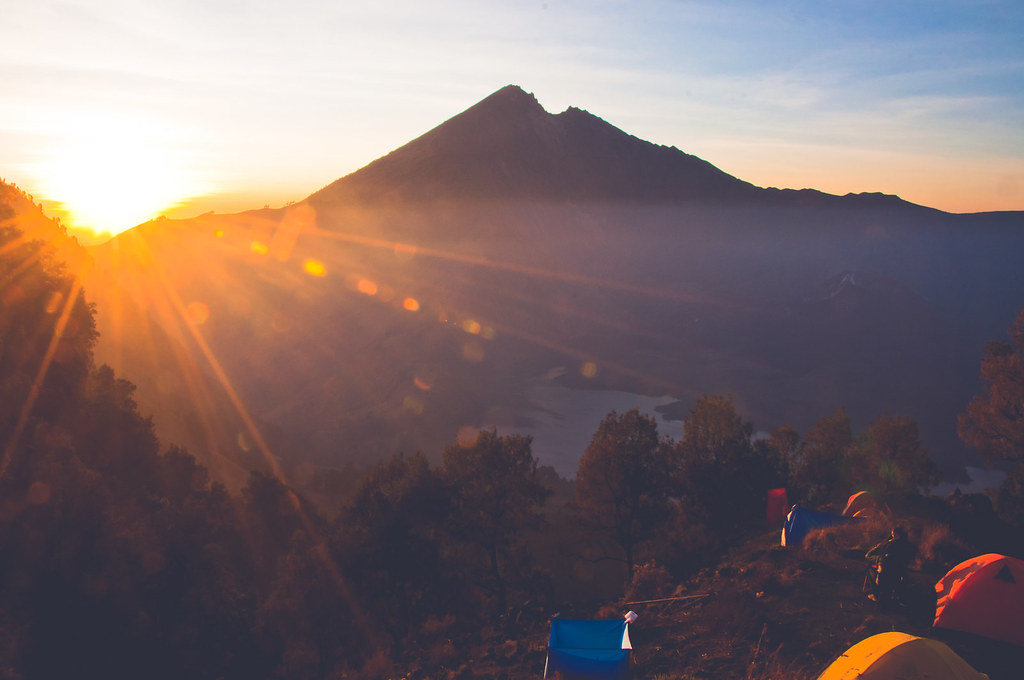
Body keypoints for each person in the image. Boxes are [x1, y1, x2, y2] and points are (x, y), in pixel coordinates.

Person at [864, 526, 914, 606]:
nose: (892, 537)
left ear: (898, 536)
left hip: (885, 575)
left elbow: (869, 555)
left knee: (871, 568)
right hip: (897, 576)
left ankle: (875, 594)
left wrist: (878, 547)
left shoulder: (890, 548)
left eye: (893, 535)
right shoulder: (907, 547)